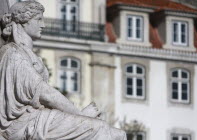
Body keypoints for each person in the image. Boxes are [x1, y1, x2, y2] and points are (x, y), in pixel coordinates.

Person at [0, 1, 126, 140]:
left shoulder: (27, 55)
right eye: (38, 19)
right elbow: (45, 93)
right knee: (103, 130)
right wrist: (81, 115)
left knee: (119, 134)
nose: (43, 25)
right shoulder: (14, 54)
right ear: (23, 21)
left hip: (38, 117)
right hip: (23, 123)